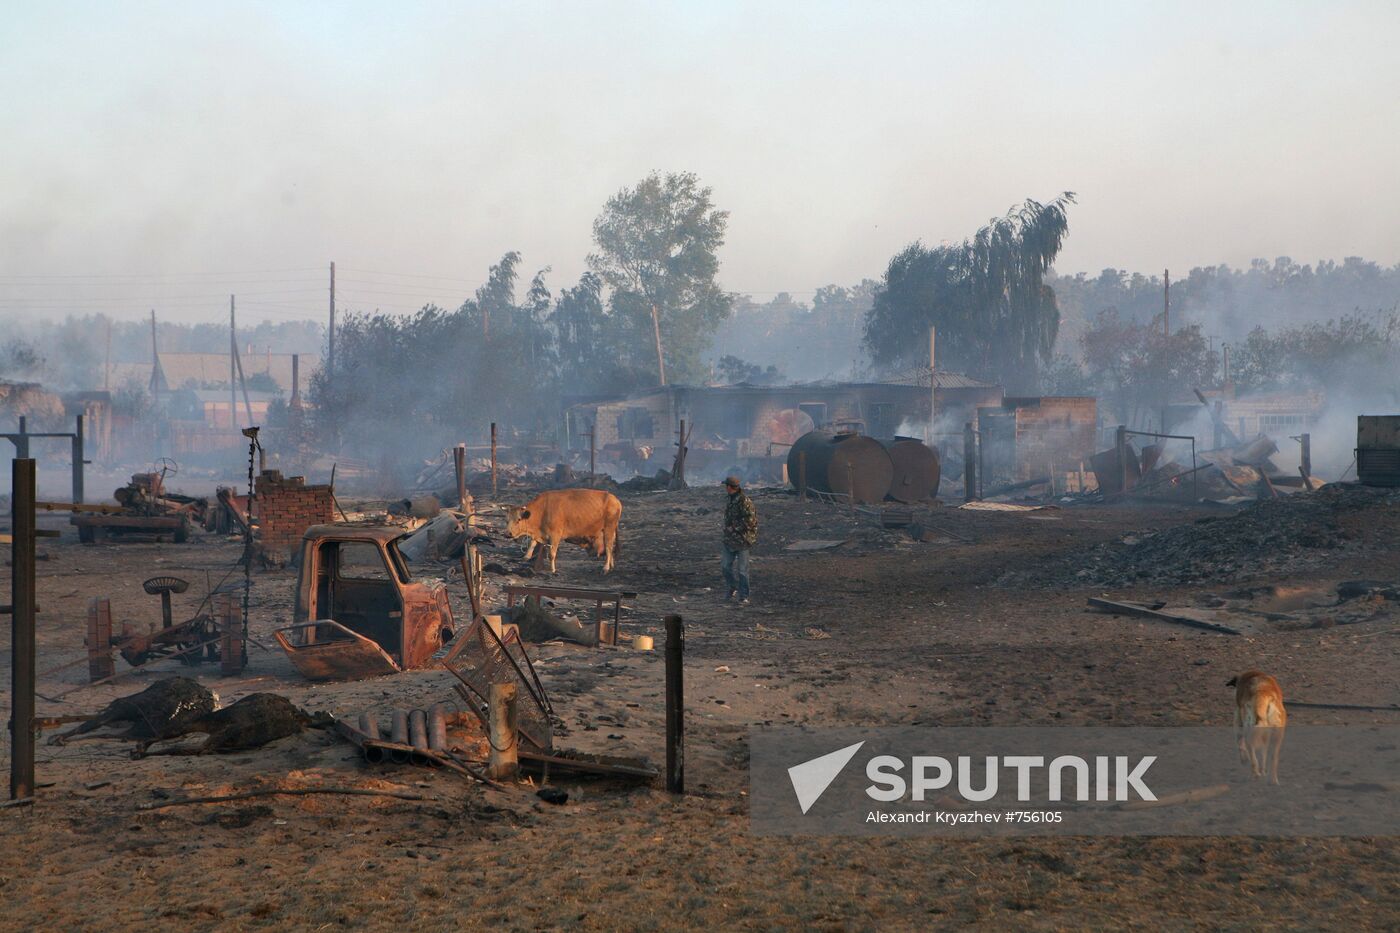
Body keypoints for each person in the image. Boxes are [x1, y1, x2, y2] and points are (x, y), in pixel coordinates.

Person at [721, 475, 757, 604]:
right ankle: (732, 587)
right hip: (729, 539)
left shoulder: (744, 501)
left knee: (742, 570)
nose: (725, 488)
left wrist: (734, 527)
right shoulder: (730, 499)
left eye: (726, 486)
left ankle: (744, 595)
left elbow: (751, 521)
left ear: (729, 487)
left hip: (743, 540)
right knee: (725, 566)